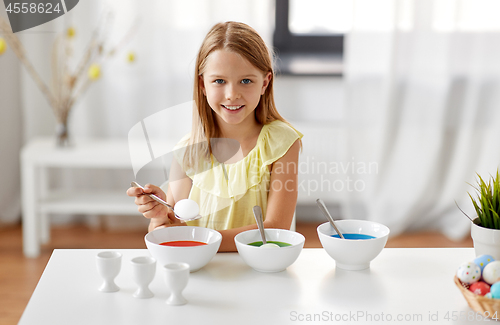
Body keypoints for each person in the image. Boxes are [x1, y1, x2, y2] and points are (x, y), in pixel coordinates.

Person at [127, 21, 303, 252]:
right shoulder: (188, 152)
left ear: (265, 83)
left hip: (257, 272)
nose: (232, 94)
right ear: (203, 84)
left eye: (246, 80)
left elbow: (275, 230)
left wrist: (198, 240)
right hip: (199, 273)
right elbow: (167, 231)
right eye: (219, 81)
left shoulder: (282, 143)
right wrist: (161, 217)